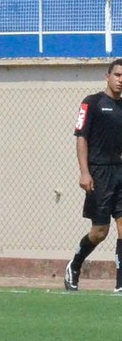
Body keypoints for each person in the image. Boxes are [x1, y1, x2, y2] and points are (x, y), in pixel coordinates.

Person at [65, 59, 122, 292]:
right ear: (107, 76)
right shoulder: (92, 103)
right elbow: (82, 137)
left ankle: (120, 284)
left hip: (121, 173)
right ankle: (75, 265)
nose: (121, 80)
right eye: (117, 75)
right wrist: (84, 172)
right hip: (99, 173)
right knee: (100, 232)